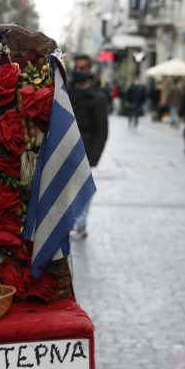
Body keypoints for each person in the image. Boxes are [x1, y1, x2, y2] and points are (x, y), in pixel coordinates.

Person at [68, 54, 109, 240]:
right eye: (77, 68)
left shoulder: (97, 97)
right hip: (65, 149)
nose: (79, 71)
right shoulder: (67, 90)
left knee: (83, 191)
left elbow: (102, 131)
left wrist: (93, 158)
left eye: (83, 68)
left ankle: (81, 225)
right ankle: (69, 223)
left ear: (90, 70)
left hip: (85, 151)